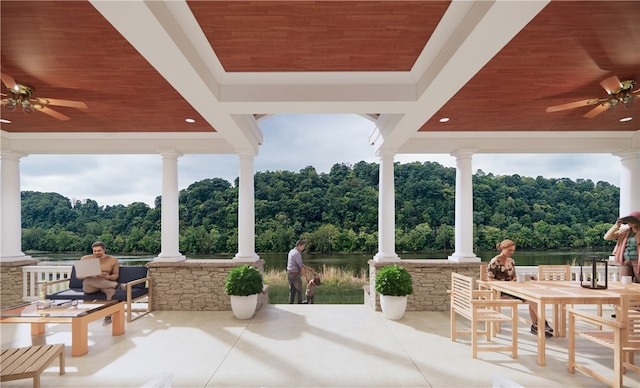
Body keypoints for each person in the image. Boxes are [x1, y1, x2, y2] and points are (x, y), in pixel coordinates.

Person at [487, 239, 553, 338]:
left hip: (513, 289)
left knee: (532, 297)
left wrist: (527, 277)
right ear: (502, 248)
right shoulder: (495, 261)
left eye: (513, 250)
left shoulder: (511, 261)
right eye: (509, 250)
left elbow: (514, 277)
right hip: (501, 291)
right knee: (530, 298)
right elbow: (490, 280)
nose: (511, 252)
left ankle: (537, 325)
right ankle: (542, 323)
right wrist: (506, 284)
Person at [80, 241, 125, 325]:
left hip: (105, 283)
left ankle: (108, 317)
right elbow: (80, 276)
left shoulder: (112, 260)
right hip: (90, 286)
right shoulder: (85, 259)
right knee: (88, 280)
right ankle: (118, 285)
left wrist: (109, 277)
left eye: (99, 251)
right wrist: (91, 274)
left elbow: (116, 275)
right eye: (95, 251)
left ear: (104, 250)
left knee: (111, 291)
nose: (97, 253)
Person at [604, 211, 640, 283]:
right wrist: (617, 225)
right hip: (625, 260)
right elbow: (607, 237)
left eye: (633, 220)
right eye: (628, 220)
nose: (630, 222)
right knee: (625, 282)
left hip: (638, 261)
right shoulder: (625, 232)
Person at [286, 240, 318, 304]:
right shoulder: (297, 253)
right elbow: (301, 267)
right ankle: (300, 306)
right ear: (299, 245)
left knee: (292, 291)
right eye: (303, 246)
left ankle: (290, 305)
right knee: (299, 291)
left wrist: (309, 269)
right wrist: (306, 278)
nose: (304, 248)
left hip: (289, 274)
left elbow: (299, 264)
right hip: (295, 275)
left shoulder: (291, 251)